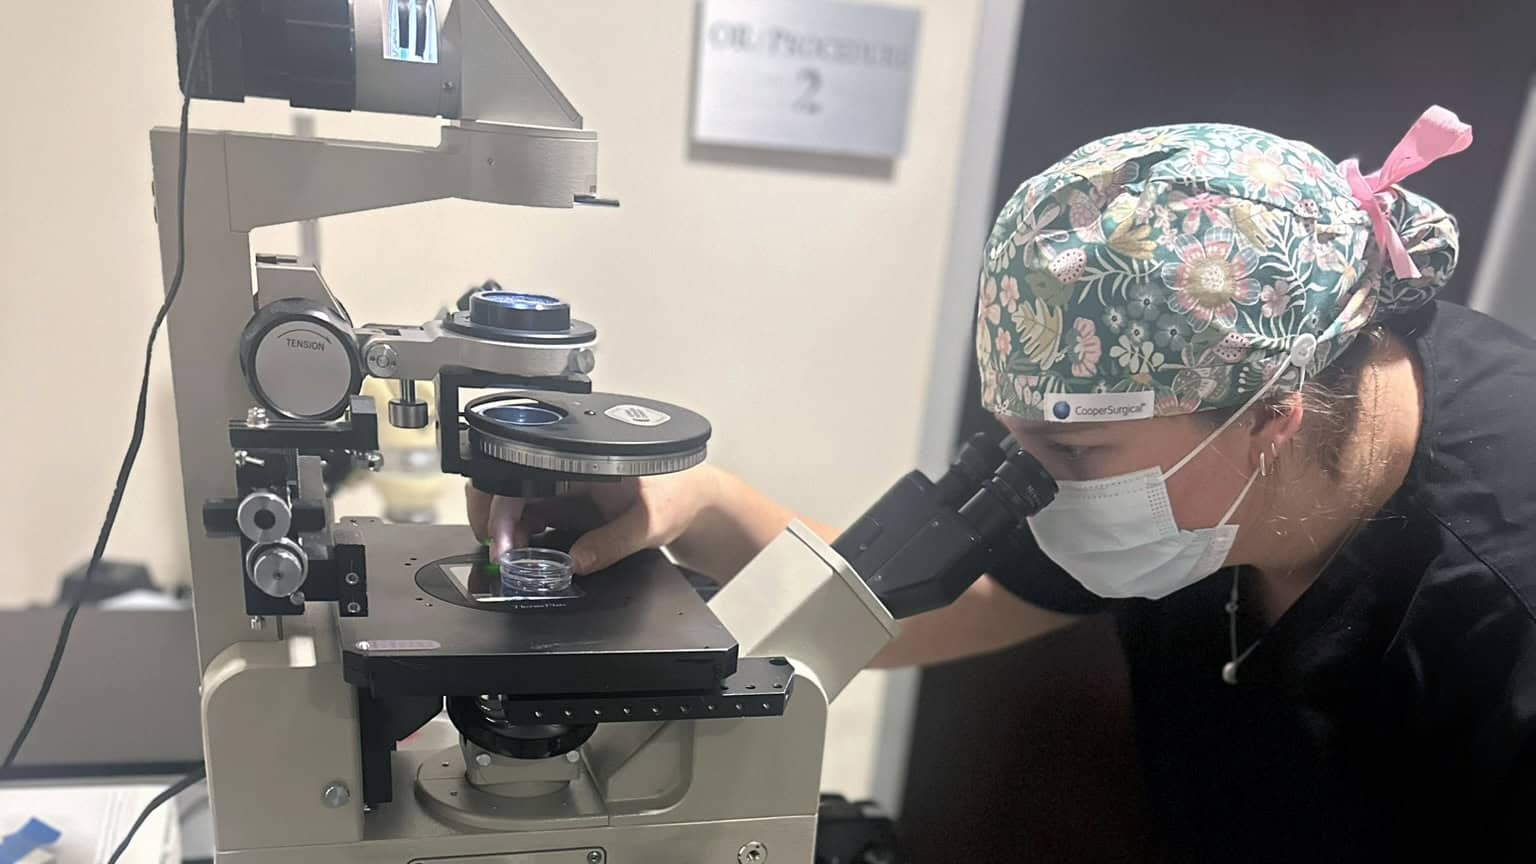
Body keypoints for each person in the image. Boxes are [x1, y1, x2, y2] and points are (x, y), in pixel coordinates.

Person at [468, 107, 1536, 860]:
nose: (1041, 482)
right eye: (1018, 443)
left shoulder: (1503, 617)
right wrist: (695, 502)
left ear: (1273, 419)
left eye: (1071, 458)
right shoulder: (1178, 464)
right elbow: (919, 611)